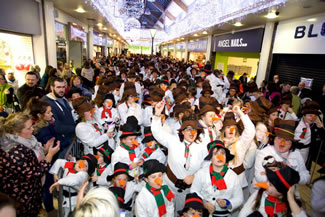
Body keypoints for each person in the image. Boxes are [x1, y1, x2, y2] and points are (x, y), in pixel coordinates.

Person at [0, 113, 60, 217]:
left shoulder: (26, 140)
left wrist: (44, 151)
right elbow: (34, 174)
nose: (32, 129)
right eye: (28, 128)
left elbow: (32, 160)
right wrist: (50, 155)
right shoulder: (13, 151)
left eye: (31, 125)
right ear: (16, 132)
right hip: (22, 198)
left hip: (33, 193)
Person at [152, 103, 208, 212]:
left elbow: (206, 166)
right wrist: (158, 114)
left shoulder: (203, 147)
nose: (192, 132)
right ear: (182, 131)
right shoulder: (173, 141)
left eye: (194, 130)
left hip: (189, 191)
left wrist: (195, 176)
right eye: (188, 129)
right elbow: (157, 132)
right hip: (168, 186)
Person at [253, 119, 311, 192]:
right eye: (279, 138)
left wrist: (295, 178)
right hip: (265, 193)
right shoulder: (264, 153)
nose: (282, 143)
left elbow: (307, 177)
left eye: (286, 140)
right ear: (274, 139)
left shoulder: (296, 154)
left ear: (292, 142)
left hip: (289, 196)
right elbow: (259, 176)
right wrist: (285, 179)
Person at [191, 140, 243, 216]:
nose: (220, 156)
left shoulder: (233, 176)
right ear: (210, 158)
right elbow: (194, 191)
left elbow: (239, 198)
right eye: (215, 153)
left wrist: (227, 203)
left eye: (222, 153)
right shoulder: (201, 173)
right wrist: (204, 202)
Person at [240, 164, 306, 217]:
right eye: (268, 181)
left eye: (271, 185)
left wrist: (291, 199)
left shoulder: (293, 207)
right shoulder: (260, 194)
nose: (266, 184)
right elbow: (244, 212)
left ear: (281, 192)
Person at [42, 77, 76, 158]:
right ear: (51, 87)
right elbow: (56, 127)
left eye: (63, 87)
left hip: (69, 138)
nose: (61, 90)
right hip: (60, 142)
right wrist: (76, 128)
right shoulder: (46, 102)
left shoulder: (62, 98)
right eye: (58, 87)